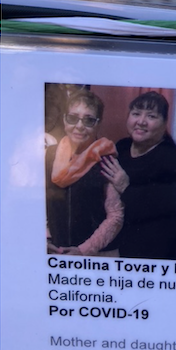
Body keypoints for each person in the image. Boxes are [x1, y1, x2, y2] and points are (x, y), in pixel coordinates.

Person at [101, 91, 176, 260]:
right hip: (120, 247)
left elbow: (169, 208)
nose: (141, 121)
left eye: (151, 116)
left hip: (154, 255)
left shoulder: (171, 159)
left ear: (164, 123)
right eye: (136, 114)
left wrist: (126, 187)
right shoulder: (122, 147)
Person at [45, 90, 123, 256]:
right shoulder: (50, 154)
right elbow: (39, 200)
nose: (79, 126)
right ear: (65, 120)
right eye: (73, 118)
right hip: (55, 252)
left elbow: (116, 216)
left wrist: (83, 250)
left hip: (95, 256)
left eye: (89, 120)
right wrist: (45, 238)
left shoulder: (107, 160)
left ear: (98, 123)